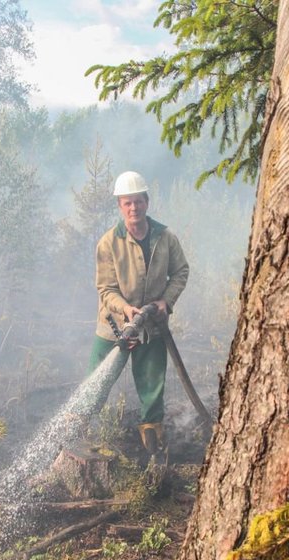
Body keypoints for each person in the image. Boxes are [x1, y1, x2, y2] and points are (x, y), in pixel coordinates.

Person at [89, 171, 189, 460]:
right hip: (115, 326)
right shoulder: (109, 242)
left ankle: (152, 443)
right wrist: (126, 310)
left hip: (153, 325)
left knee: (152, 382)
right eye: (127, 203)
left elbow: (181, 271)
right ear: (120, 206)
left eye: (138, 202)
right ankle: (79, 430)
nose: (134, 208)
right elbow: (105, 289)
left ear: (147, 202)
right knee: (97, 380)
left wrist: (165, 302)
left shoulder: (165, 237)